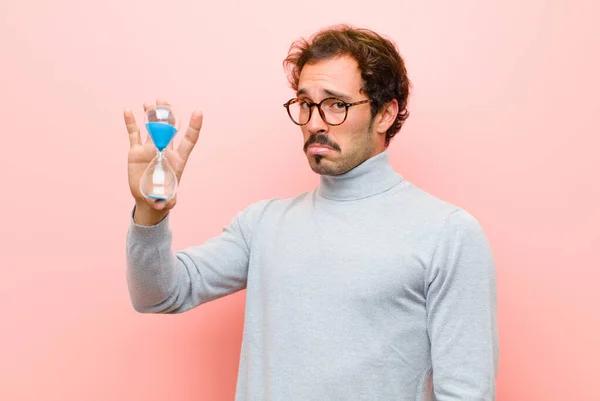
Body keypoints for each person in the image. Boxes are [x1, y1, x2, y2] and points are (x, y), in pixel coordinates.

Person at [124, 24, 498, 401]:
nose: (315, 123)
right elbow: (156, 294)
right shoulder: (263, 225)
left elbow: (467, 393)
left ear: (386, 114)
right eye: (305, 104)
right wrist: (149, 210)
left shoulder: (448, 234)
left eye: (336, 104)